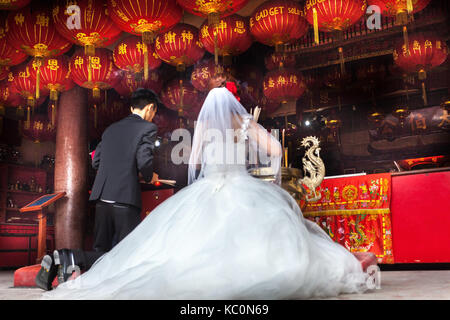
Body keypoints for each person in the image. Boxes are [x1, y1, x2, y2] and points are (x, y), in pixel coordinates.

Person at [42, 86, 373, 299]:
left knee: (165, 249)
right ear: (234, 105)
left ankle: (71, 262)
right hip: (242, 187)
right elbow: (273, 149)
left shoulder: (201, 127)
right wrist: (270, 180)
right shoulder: (244, 125)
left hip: (202, 188)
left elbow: (195, 160)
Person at [36, 88, 160, 291]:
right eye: (154, 112)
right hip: (125, 199)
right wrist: (149, 176)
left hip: (102, 197)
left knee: (101, 249)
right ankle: (70, 256)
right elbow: (144, 162)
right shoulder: (147, 128)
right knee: (126, 251)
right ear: (150, 108)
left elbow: (96, 161)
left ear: (131, 108)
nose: (153, 116)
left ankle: (63, 260)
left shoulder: (110, 129)